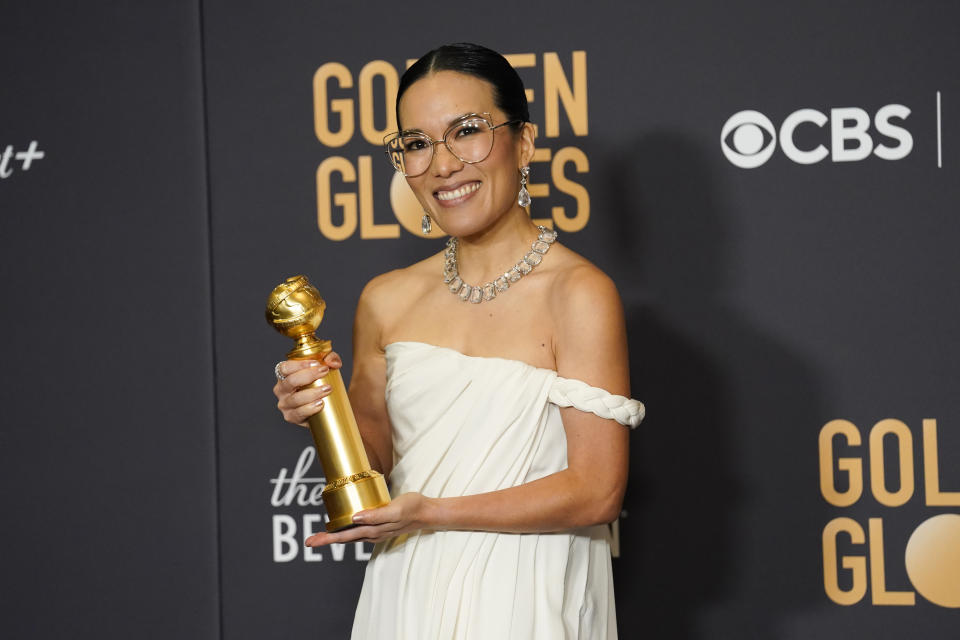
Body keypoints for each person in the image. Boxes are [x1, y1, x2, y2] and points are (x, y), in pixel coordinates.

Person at [273, 43, 644, 640]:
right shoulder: (386, 299)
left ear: (523, 143)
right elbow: (372, 476)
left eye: (466, 131)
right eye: (417, 143)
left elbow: (596, 490)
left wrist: (432, 514)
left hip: (529, 596)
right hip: (406, 596)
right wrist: (322, 413)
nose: (442, 164)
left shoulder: (578, 293)